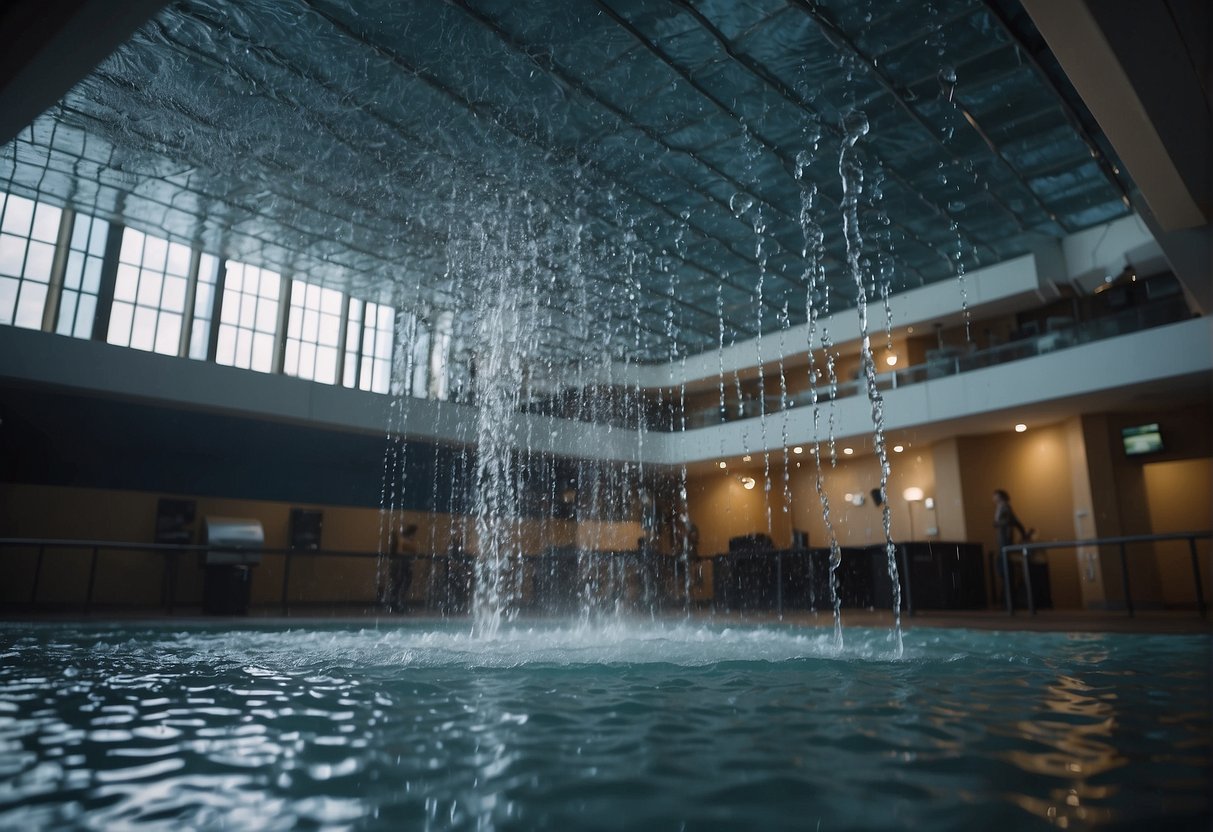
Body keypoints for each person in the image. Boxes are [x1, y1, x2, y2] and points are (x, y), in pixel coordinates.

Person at [387, 522, 419, 613]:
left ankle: (399, 603)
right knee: (399, 583)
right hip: (401, 564)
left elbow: (414, 552)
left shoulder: (410, 541)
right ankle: (395, 604)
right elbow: (399, 551)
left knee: (404, 583)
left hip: (406, 564)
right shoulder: (403, 540)